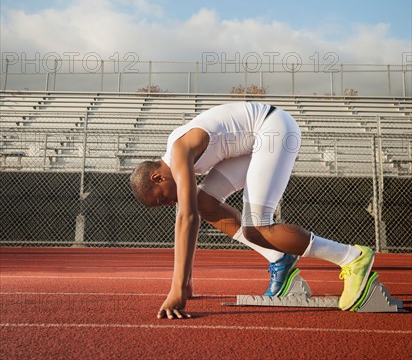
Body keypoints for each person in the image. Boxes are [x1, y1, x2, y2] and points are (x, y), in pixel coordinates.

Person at [130, 102, 374, 319]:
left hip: (273, 129)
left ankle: (351, 257)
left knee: (257, 227)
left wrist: (177, 288)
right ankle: (280, 258)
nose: (169, 204)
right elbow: (193, 212)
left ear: (157, 177)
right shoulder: (177, 151)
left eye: (162, 199)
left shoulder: (180, 150)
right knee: (206, 203)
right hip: (254, 141)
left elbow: (187, 217)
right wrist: (188, 279)